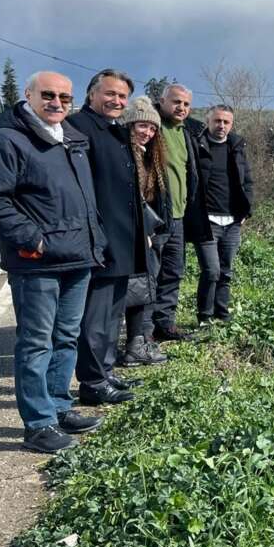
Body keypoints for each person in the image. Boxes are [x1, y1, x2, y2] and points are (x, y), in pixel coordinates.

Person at [0, 71, 106, 453]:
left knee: (65, 338)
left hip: (77, 258)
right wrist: (32, 239)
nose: (57, 103)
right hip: (38, 263)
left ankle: (59, 407)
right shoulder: (8, 141)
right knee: (36, 343)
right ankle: (38, 424)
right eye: (48, 95)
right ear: (28, 94)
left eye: (65, 97)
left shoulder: (72, 140)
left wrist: (97, 238)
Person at [68, 69, 145, 405]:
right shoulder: (80, 128)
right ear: (91, 94)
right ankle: (93, 382)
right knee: (96, 317)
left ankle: (106, 370)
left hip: (121, 237)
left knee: (112, 313)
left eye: (122, 96)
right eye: (110, 94)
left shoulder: (114, 130)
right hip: (100, 238)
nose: (117, 101)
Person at [152, 84, 211, 341]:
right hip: (153, 216)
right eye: (176, 102)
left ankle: (164, 324)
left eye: (186, 104)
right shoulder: (151, 126)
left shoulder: (187, 132)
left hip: (178, 216)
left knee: (173, 272)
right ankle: (142, 332)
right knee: (148, 275)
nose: (182, 108)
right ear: (162, 101)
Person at [119, 97, 171, 366]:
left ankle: (138, 344)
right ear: (129, 124)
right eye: (142, 126)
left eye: (152, 129)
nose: (147, 133)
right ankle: (130, 346)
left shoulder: (150, 156)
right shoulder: (123, 155)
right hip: (130, 235)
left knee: (144, 290)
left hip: (148, 235)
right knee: (129, 292)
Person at [192, 105, 254, 325]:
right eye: (217, 121)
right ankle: (204, 316)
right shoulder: (197, 146)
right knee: (211, 270)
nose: (221, 126)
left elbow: (247, 181)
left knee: (226, 271)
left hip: (232, 221)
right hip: (207, 220)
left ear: (231, 124)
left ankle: (222, 314)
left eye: (226, 122)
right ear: (208, 121)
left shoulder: (236, 147)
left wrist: (247, 211)